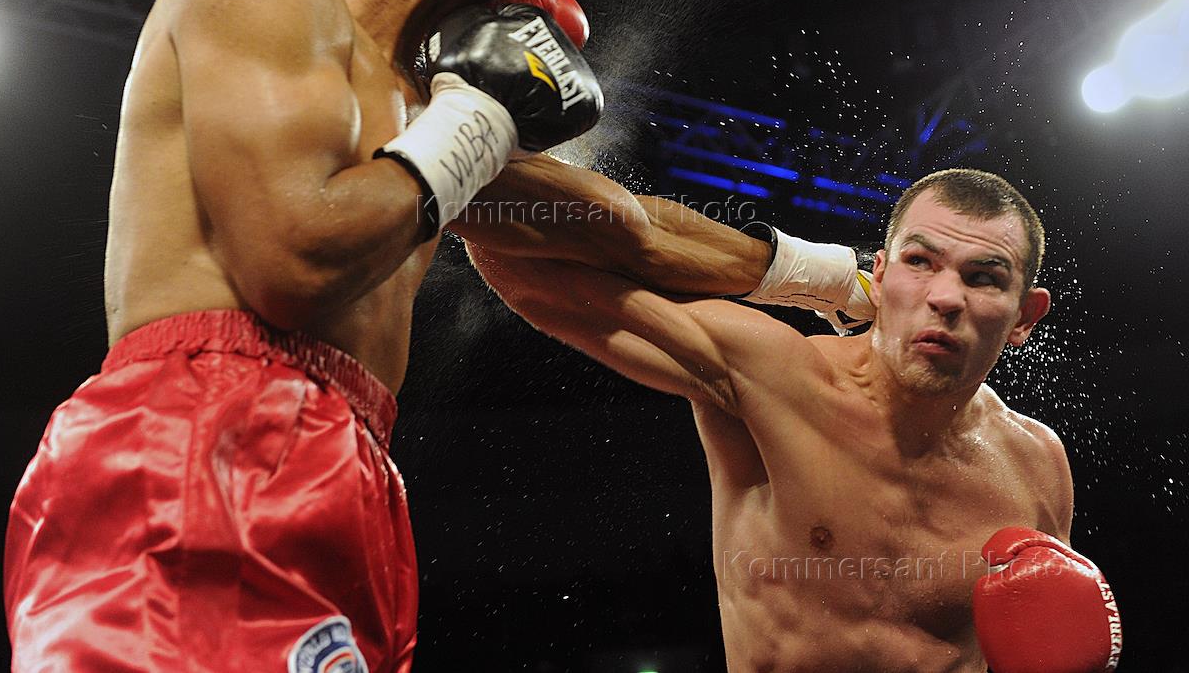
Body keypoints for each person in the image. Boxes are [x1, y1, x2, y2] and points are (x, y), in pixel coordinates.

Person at [2, 0, 606, 672]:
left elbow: (629, 232)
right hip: (199, 441)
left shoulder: (429, 116)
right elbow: (294, 261)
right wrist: (481, 119)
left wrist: (821, 275)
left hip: (356, 476)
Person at [464, 165, 1122, 672]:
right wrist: (813, 274)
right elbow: (514, 259)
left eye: (984, 277)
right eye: (920, 262)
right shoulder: (777, 377)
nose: (945, 297)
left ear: (1025, 316)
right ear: (879, 276)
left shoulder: (1037, 463)